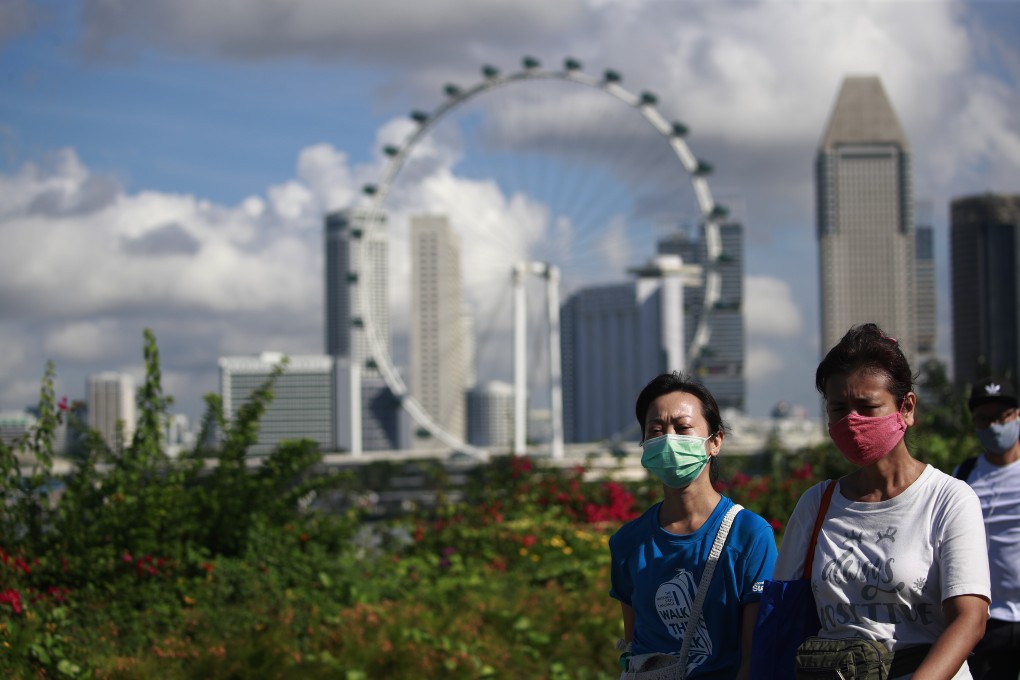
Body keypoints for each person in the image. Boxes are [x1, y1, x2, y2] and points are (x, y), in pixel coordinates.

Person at [774, 323, 990, 679]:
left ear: (905, 408)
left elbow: (970, 619)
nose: (851, 421)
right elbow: (783, 613)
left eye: (867, 406)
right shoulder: (817, 504)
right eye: (838, 408)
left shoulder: (948, 499)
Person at [610, 371, 777, 679]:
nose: (668, 439)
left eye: (682, 427)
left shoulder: (750, 535)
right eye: (656, 430)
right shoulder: (627, 543)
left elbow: (755, 657)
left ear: (715, 442)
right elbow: (634, 649)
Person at [955, 376, 1020, 680]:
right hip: (987, 618)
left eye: (1001, 416)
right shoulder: (965, 475)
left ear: (1017, 415)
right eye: (984, 418)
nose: (994, 426)